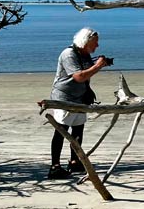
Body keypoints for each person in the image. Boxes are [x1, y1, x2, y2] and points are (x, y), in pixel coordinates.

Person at [47, 28, 109, 179]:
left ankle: (74, 161)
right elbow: (79, 77)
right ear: (86, 42)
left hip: (80, 97)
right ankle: (55, 166)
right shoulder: (68, 54)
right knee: (61, 131)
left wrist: (100, 64)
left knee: (78, 130)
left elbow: (87, 72)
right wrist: (98, 66)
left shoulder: (85, 54)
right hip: (64, 98)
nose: (97, 46)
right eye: (95, 43)